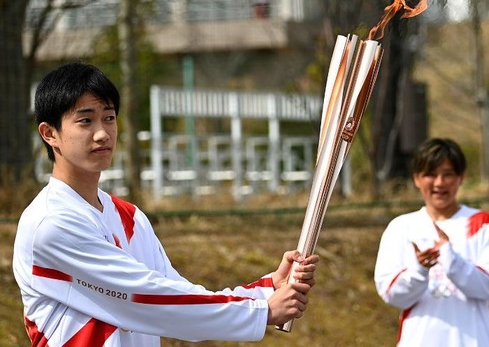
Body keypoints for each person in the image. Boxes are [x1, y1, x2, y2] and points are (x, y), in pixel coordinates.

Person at [13, 62, 319, 346]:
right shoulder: (50, 224)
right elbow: (146, 298)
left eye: (109, 117)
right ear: (49, 133)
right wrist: (260, 311)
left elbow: (178, 294)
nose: (102, 133)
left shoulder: (129, 218)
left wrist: (266, 288)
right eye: (85, 121)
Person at [373, 138, 489, 346]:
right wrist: (419, 270)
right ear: (417, 179)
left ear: (461, 177)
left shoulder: (483, 224)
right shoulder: (401, 228)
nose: (439, 183)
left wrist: (452, 260)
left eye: (448, 174)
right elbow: (390, 293)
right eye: (430, 174)